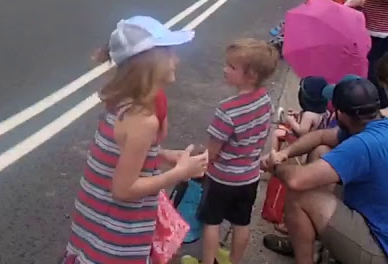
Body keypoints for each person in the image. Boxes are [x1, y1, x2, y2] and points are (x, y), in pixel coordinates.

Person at [63, 16, 207, 264]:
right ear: (149, 64)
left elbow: (120, 151)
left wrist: (163, 155)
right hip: (116, 237)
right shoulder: (144, 119)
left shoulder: (124, 102)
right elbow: (123, 190)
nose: (177, 60)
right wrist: (180, 172)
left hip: (93, 223)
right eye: (169, 53)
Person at [263, 76, 388, 264]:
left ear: (342, 115)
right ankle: (307, 240)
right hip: (376, 220)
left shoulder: (361, 145)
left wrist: (276, 166)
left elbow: (297, 180)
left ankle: (305, 258)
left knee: (299, 194)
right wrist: (286, 153)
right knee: (321, 151)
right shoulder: (375, 126)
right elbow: (321, 136)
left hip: (380, 249)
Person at [184, 39, 278, 264]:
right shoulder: (266, 101)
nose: (225, 69)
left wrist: (199, 158)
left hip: (222, 178)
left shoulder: (227, 111)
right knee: (242, 222)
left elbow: (213, 152)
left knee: (212, 221)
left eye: (232, 67)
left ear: (251, 75)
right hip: (249, 176)